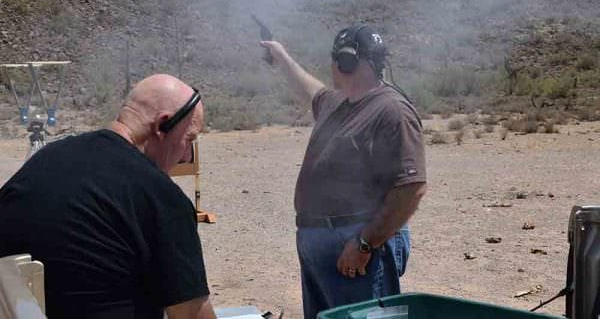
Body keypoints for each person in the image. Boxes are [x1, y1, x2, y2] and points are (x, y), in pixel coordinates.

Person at [0, 74, 216, 319]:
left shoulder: (45, 160)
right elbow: (192, 316)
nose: (187, 157)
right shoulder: (160, 196)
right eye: (189, 140)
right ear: (161, 126)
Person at [261, 25, 428, 318]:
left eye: (336, 58)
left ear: (349, 61)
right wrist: (282, 57)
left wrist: (365, 244)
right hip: (320, 241)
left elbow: (411, 188)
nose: (332, 65)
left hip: (354, 247)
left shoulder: (391, 111)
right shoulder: (339, 103)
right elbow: (309, 88)